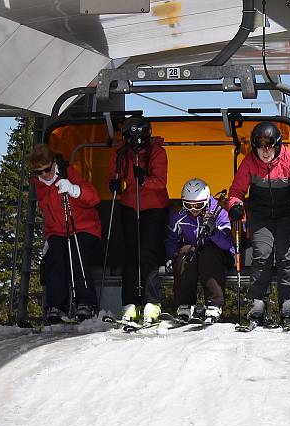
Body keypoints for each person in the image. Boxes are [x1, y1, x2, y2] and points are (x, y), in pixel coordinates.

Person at [227, 122, 290, 327]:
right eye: (260, 147)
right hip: (261, 215)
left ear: (277, 145)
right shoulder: (250, 162)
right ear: (255, 147)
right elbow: (236, 191)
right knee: (262, 254)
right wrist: (236, 205)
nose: (265, 152)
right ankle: (258, 301)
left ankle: (288, 302)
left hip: (287, 214)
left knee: (287, 258)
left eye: (269, 146)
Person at [28, 143, 101, 324]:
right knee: (55, 257)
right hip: (57, 231)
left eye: (47, 170)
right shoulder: (40, 184)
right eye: (39, 172)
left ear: (53, 163)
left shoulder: (69, 173)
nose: (44, 175)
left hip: (84, 227)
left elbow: (94, 197)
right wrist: (48, 238)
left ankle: (86, 303)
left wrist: (75, 190)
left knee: (76, 253)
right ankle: (56, 306)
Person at [107, 116, 169, 324]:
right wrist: (114, 182)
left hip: (154, 207)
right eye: (131, 139)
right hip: (130, 206)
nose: (135, 144)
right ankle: (129, 303)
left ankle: (152, 302)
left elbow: (160, 182)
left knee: (147, 253)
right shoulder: (121, 153)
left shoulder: (157, 152)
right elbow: (114, 173)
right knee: (131, 254)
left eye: (138, 139)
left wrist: (144, 180)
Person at [166, 178, 234, 323]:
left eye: (198, 205)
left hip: (217, 254)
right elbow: (172, 240)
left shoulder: (218, 212)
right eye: (189, 205)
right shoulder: (179, 215)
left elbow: (227, 243)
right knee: (185, 252)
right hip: (194, 253)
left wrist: (213, 231)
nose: (194, 209)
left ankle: (214, 305)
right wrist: (172, 258)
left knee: (209, 254)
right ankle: (184, 306)